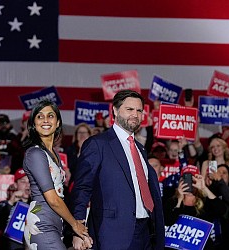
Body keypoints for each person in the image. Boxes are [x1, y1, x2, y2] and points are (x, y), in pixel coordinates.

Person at [71, 90, 165, 250]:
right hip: (114, 234)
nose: (135, 114)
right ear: (114, 110)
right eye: (129, 109)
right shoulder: (98, 144)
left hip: (147, 233)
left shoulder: (140, 149)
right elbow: (82, 189)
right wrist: (77, 230)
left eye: (139, 110)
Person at [22, 99, 89, 250]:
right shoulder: (35, 153)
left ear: (58, 122)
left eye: (50, 116)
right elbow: (52, 199)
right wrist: (75, 225)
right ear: (34, 123)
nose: (45, 120)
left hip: (55, 225)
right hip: (41, 224)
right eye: (40, 116)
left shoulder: (54, 154)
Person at [164, 166, 227, 249]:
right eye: (186, 180)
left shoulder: (206, 201)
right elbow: (168, 221)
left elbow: (222, 210)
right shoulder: (172, 201)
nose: (190, 183)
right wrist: (179, 201)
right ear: (180, 182)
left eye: (193, 180)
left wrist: (204, 188)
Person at [0, 168, 31, 250]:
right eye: (23, 182)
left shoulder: (38, 206)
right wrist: (10, 203)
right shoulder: (5, 204)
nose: (27, 185)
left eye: (30, 181)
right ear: (15, 185)